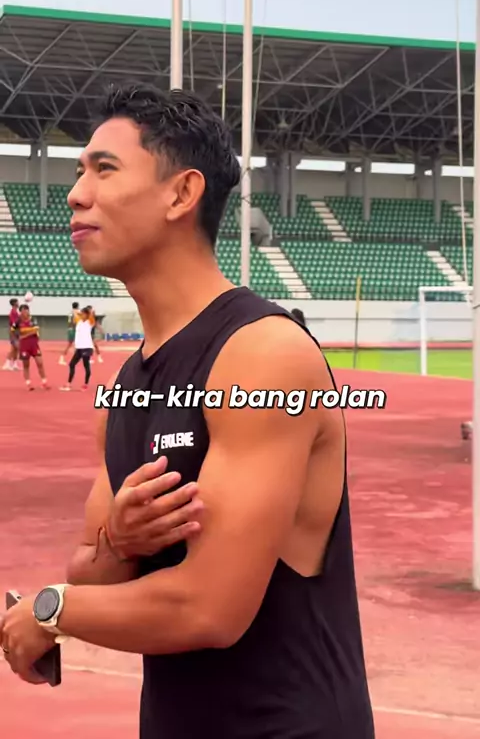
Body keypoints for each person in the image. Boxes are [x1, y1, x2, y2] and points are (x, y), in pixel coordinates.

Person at [0, 85, 374, 738]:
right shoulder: (126, 387)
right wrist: (121, 539)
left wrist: (49, 611)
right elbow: (94, 573)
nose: (76, 194)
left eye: (104, 169)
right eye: (79, 172)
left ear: (181, 193)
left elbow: (209, 609)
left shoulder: (262, 356)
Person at [13, 303, 49, 391]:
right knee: (26, 365)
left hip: (34, 344)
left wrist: (24, 335)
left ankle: (44, 382)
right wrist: (16, 339)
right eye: (24, 310)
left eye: (27, 310)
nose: (26, 312)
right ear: (20, 312)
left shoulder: (33, 319)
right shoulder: (17, 321)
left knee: (40, 362)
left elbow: (35, 330)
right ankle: (28, 383)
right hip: (24, 346)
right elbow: (13, 331)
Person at [60, 307, 94, 391]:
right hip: (79, 348)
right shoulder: (79, 322)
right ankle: (68, 384)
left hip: (87, 347)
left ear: (87, 315)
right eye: (81, 314)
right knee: (71, 364)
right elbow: (75, 313)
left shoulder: (89, 322)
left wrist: (86, 312)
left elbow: (91, 314)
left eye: (83, 314)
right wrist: (78, 312)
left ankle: (85, 384)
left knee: (86, 365)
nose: (81, 315)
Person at [2, 298, 21, 371]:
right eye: (17, 302)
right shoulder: (13, 312)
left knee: (16, 349)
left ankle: (15, 364)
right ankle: (7, 364)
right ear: (14, 304)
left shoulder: (16, 312)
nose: (18, 303)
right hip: (13, 332)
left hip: (17, 331)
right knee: (13, 348)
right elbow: (14, 323)